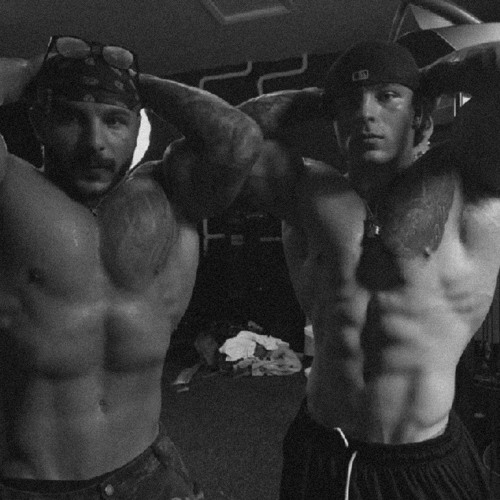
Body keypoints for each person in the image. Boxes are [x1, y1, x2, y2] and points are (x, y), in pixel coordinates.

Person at [234, 39, 500, 499]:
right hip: (323, 449)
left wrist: (430, 79)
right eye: (348, 104)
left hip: (425, 460)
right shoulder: (307, 194)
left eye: (387, 97)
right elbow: (226, 139)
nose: (365, 113)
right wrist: (314, 101)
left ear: (421, 116)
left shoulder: (470, 183)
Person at [0, 35, 262, 499]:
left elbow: (239, 141)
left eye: (115, 121)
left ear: (138, 124)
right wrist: (25, 72)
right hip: (34, 486)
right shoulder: (9, 190)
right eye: (70, 118)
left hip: (149, 474)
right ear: (39, 121)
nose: (95, 142)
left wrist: (139, 83)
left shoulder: (173, 194)